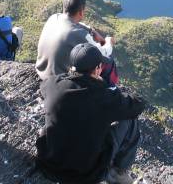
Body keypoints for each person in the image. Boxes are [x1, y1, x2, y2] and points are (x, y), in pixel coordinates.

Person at [37, 43, 145, 184]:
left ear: (72, 67)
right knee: (130, 121)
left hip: (49, 165)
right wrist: (109, 88)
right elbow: (138, 105)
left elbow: (45, 87)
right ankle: (118, 173)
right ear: (97, 69)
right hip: (87, 175)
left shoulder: (53, 84)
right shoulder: (104, 97)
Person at [35, 0, 115, 81]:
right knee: (109, 61)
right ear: (81, 12)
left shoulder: (54, 17)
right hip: (58, 78)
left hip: (41, 70)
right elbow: (103, 53)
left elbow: (74, 23)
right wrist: (109, 41)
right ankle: (110, 88)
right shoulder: (79, 34)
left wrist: (91, 31)